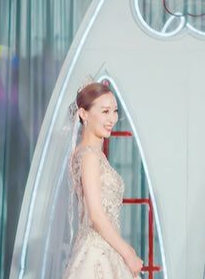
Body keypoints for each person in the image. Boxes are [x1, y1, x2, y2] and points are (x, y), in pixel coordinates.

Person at [62, 81, 144, 279]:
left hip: (101, 248)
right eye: (105, 111)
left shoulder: (83, 153)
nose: (112, 118)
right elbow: (96, 215)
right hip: (96, 254)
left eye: (115, 111)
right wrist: (127, 253)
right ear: (84, 114)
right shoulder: (90, 156)